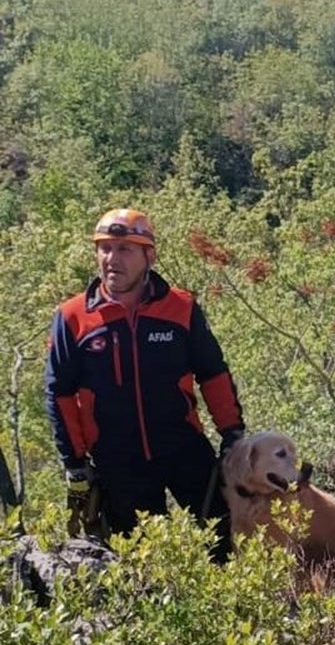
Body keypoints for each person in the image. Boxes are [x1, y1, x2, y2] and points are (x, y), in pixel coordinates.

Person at [45, 208, 245, 556]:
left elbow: (212, 372)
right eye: (105, 248)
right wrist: (74, 462)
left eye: (124, 249)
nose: (112, 259)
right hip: (118, 462)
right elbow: (59, 393)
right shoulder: (72, 317)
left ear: (148, 256)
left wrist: (232, 433)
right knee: (144, 566)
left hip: (185, 449)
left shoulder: (180, 307)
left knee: (226, 546)